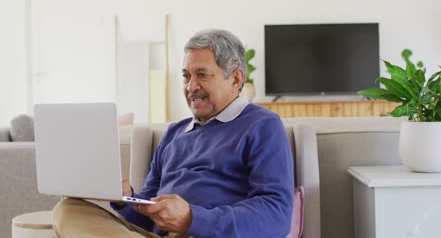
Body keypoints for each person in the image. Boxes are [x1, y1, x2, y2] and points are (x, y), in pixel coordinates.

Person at [53, 29, 294, 238]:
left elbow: (276, 215)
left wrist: (192, 219)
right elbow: (146, 215)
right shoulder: (174, 133)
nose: (191, 87)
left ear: (235, 79)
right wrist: (125, 198)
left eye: (202, 74)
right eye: (186, 76)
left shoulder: (262, 125)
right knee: (70, 210)